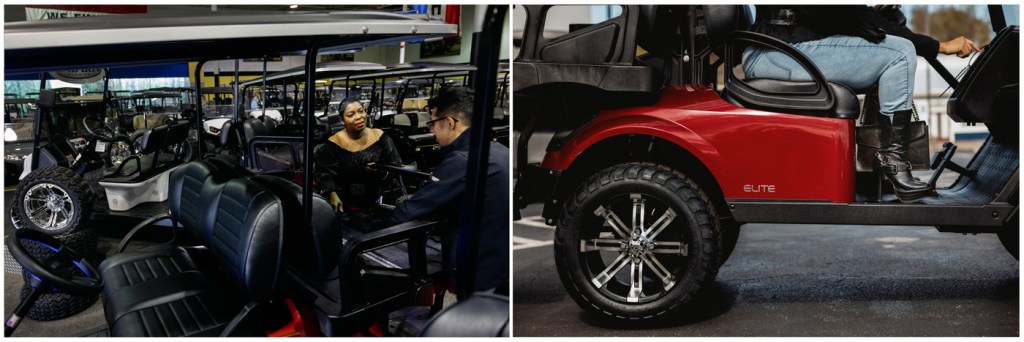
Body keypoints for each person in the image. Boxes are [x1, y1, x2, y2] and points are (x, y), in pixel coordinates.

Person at [742, 5, 979, 202]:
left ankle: (875, 171)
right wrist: (940, 46)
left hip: (779, 49)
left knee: (890, 50)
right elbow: (847, 14)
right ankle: (893, 161)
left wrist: (871, 18)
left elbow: (852, 16)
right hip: (777, 52)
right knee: (900, 53)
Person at [386, 87, 510, 293]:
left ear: (450, 123)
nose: (431, 131)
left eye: (432, 123)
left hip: (481, 273)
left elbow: (413, 209)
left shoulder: (463, 160)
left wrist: (366, 231)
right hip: (500, 264)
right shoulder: (499, 151)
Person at [313, 98, 403, 214]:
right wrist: (331, 193)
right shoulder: (331, 146)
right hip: (346, 206)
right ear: (342, 120)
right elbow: (324, 176)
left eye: (361, 111)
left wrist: (381, 172)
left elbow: (396, 167)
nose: (358, 117)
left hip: (380, 201)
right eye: (351, 115)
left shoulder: (381, 137)